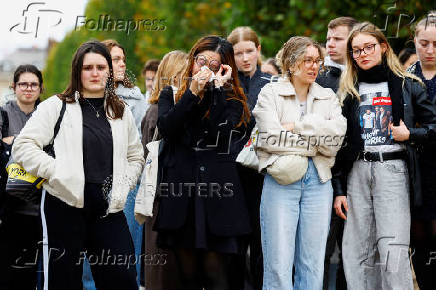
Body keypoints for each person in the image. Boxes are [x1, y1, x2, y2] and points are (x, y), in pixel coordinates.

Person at [12, 40, 144, 290]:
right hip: (64, 205)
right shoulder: (56, 106)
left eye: (101, 67)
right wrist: (56, 172)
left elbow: (135, 155)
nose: (95, 73)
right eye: (88, 68)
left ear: (109, 71)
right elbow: (24, 145)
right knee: (64, 281)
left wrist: (124, 184)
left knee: (123, 279)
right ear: (77, 71)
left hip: (109, 209)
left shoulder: (121, 111)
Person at [333, 22, 436, 290]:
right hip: (357, 170)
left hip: (393, 169)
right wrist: (339, 188)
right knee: (357, 249)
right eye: (356, 50)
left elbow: (433, 127)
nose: (363, 54)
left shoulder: (408, 86)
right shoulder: (347, 91)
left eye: (368, 47)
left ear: (383, 47)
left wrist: (410, 134)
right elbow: (338, 145)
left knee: (393, 248)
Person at [155, 35, 251, 290]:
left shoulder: (233, 99)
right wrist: (192, 94)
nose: (205, 68)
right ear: (192, 60)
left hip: (219, 196)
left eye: (214, 64)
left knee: (216, 275)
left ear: (224, 68)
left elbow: (219, 135)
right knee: (186, 277)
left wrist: (218, 90)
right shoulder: (172, 93)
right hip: (181, 195)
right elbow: (168, 129)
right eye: (201, 61)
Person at [253, 36, 346, 290]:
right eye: (307, 60)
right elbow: (270, 138)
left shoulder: (327, 96)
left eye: (318, 61)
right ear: (291, 64)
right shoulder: (270, 93)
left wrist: (297, 127)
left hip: (319, 182)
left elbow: (336, 140)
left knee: (313, 263)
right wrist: (316, 142)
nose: (314, 66)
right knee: (278, 262)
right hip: (281, 180)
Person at [315, 17, 358, 290]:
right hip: (323, 175)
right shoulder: (319, 79)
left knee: (352, 253)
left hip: (360, 174)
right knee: (318, 249)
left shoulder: (367, 78)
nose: (330, 44)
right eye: (328, 38)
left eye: (337, 38)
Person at [227, 26, 271, 290]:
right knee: (233, 245)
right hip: (230, 174)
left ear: (259, 51)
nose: (244, 58)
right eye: (238, 53)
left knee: (261, 242)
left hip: (261, 174)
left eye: (249, 51)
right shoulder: (223, 86)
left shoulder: (271, 84)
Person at [140, 50, 187, 290]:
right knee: (162, 272)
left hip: (170, 198)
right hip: (161, 200)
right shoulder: (158, 112)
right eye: (182, 74)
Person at [0, 64, 43, 290]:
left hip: (40, 205)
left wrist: (13, 141)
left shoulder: (48, 115)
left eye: (34, 84)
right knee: (9, 270)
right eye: (23, 84)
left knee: (35, 272)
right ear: (14, 87)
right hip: (10, 205)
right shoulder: (3, 114)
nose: (28, 89)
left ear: (41, 88)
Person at [408, 11, 436, 290]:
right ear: (414, 40)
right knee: (418, 243)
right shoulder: (404, 78)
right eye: (423, 42)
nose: (429, 50)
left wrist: (414, 131)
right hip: (412, 172)